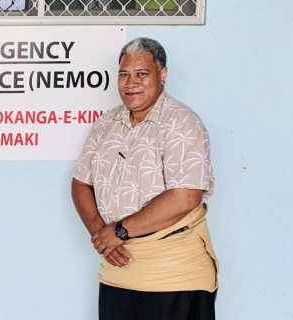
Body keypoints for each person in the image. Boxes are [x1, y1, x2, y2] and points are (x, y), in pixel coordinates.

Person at [71, 37, 218, 320]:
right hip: (117, 273)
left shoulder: (182, 122)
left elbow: (186, 195)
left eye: (142, 73)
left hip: (174, 276)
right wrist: (101, 235)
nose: (131, 83)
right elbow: (80, 182)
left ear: (162, 75)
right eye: (124, 74)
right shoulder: (105, 124)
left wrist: (118, 232)